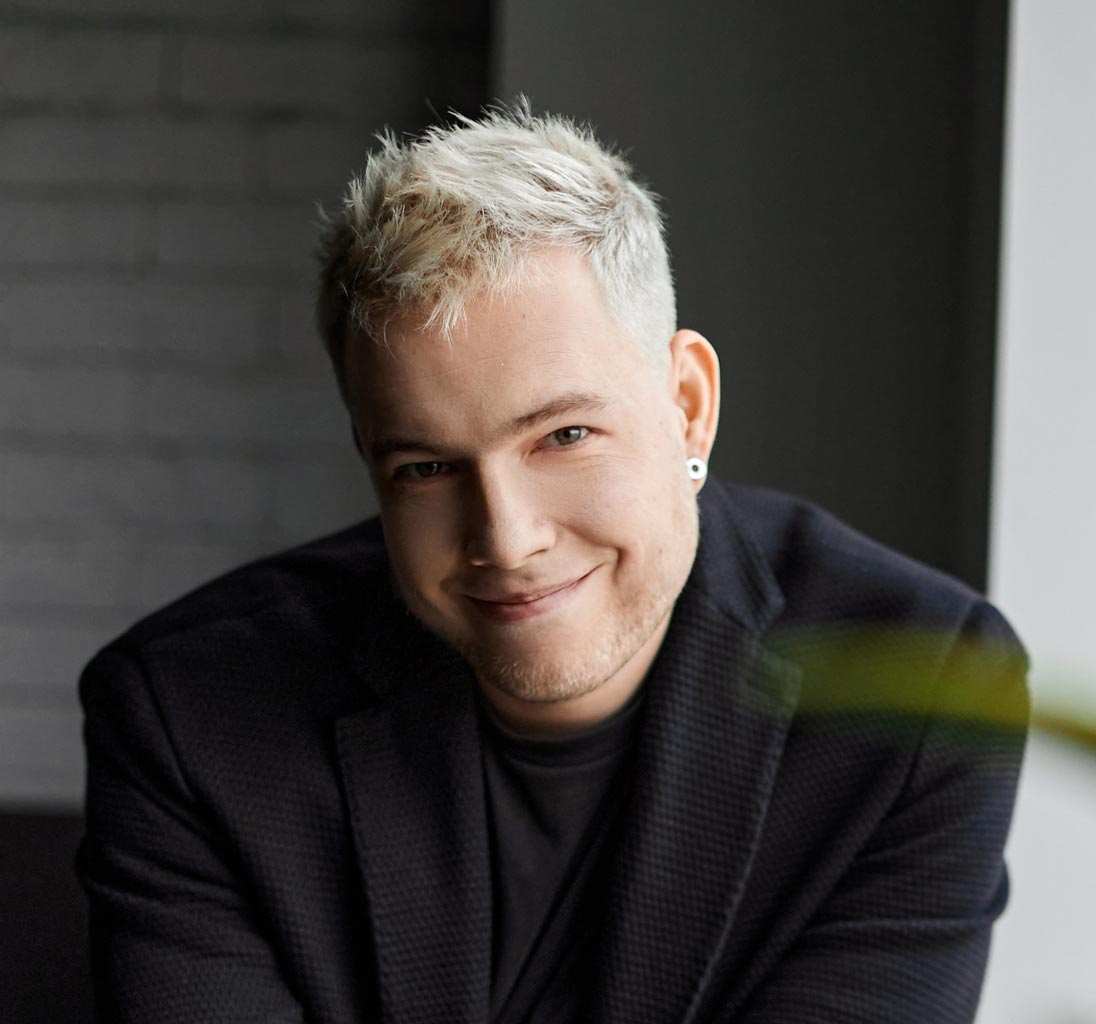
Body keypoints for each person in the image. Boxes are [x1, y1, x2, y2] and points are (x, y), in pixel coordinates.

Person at [77, 104, 1029, 1023]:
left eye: (564, 435)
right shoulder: (187, 717)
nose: (507, 537)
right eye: (426, 467)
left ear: (688, 405)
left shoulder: (926, 696)